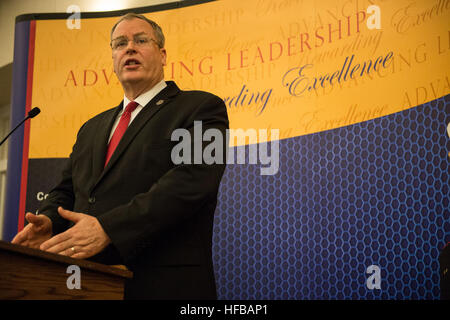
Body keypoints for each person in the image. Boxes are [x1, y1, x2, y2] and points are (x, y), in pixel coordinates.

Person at [11, 12, 228, 300]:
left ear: (162, 55)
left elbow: (192, 182)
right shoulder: (91, 128)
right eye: (119, 43)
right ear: (113, 59)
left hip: (165, 284)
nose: (129, 48)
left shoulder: (201, 107)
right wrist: (50, 221)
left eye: (141, 40)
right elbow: (67, 191)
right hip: (89, 283)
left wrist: (109, 228)